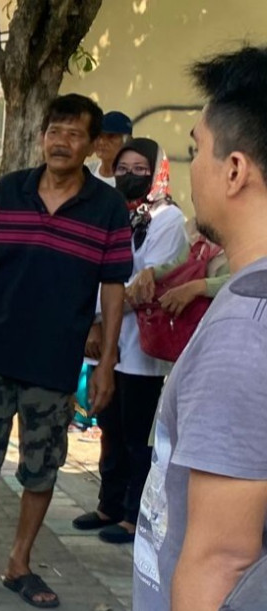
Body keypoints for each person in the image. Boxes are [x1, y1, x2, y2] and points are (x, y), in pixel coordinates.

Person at [0, 94, 132, 610]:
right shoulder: (9, 191)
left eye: (73, 134)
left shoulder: (107, 208)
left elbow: (113, 290)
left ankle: (20, 561)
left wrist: (107, 363)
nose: (60, 141)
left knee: (41, 465)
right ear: (42, 136)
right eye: (54, 130)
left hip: (55, 360)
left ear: (92, 145)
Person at [124, 45, 267, 611]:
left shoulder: (245, 327)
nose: (190, 168)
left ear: (234, 169)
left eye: (196, 147)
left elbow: (219, 558)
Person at [70, 138, 187, 545]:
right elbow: (94, 271)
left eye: (141, 169)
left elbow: (141, 286)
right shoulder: (111, 212)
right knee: (109, 429)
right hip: (107, 343)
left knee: (136, 436)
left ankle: (135, 516)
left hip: (141, 347)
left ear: (156, 172)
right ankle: (109, 503)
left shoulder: (168, 218)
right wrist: (97, 325)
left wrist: (106, 312)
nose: (130, 176)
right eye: (123, 168)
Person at [89, 110, 132, 186]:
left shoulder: (132, 179)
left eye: (111, 136)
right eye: (99, 136)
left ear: (126, 141)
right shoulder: (87, 172)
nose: (102, 142)